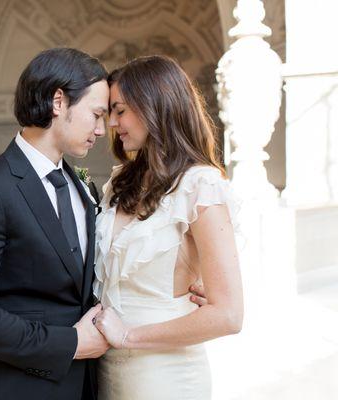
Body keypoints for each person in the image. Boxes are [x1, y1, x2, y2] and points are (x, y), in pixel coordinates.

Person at [0, 47, 111, 400]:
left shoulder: (81, 185)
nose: (102, 130)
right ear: (58, 101)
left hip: (87, 386)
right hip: (19, 388)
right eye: (96, 114)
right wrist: (71, 343)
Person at [93, 55, 243, 400]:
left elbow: (229, 315)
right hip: (105, 370)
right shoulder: (119, 183)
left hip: (166, 376)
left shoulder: (201, 186)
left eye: (121, 110)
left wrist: (129, 337)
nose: (113, 123)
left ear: (154, 105)